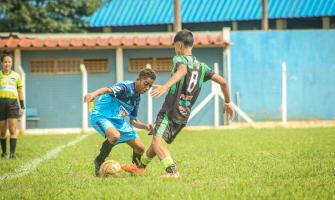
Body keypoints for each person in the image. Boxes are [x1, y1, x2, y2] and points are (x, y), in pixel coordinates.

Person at [122, 30, 234, 178]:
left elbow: (182, 70)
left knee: (157, 142)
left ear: (179, 45)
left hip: (170, 110)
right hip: (184, 114)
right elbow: (224, 82)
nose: (175, 49)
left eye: (175, 46)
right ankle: (140, 168)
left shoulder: (179, 59)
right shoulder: (203, 67)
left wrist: (166, 86)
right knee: (157, 141)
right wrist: (227, 102)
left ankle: (172, 172)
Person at [84, 68, 156, 176]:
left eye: (150, 86)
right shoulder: (126, 86)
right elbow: (107, 89)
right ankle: (99, 160)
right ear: (139, 79)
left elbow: (133, 120)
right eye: (146, 84)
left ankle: (134, 169)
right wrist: (94, 94)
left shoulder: (137, 98)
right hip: (101, 116)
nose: (147, 88)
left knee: (140, 148)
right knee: (114, 136)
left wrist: (146, 127)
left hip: (118, 121)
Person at [0, 51, 25, 159]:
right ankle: (4, 153)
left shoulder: (16, 76)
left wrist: (22, 106)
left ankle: (12, 153)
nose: (7, 64)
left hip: (13, 104)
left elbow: (20, 91)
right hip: (1, 104)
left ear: (12, 63)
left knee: (13, 130)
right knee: (1, 131)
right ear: (2, 63)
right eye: (5, 62)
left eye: (9, 62)